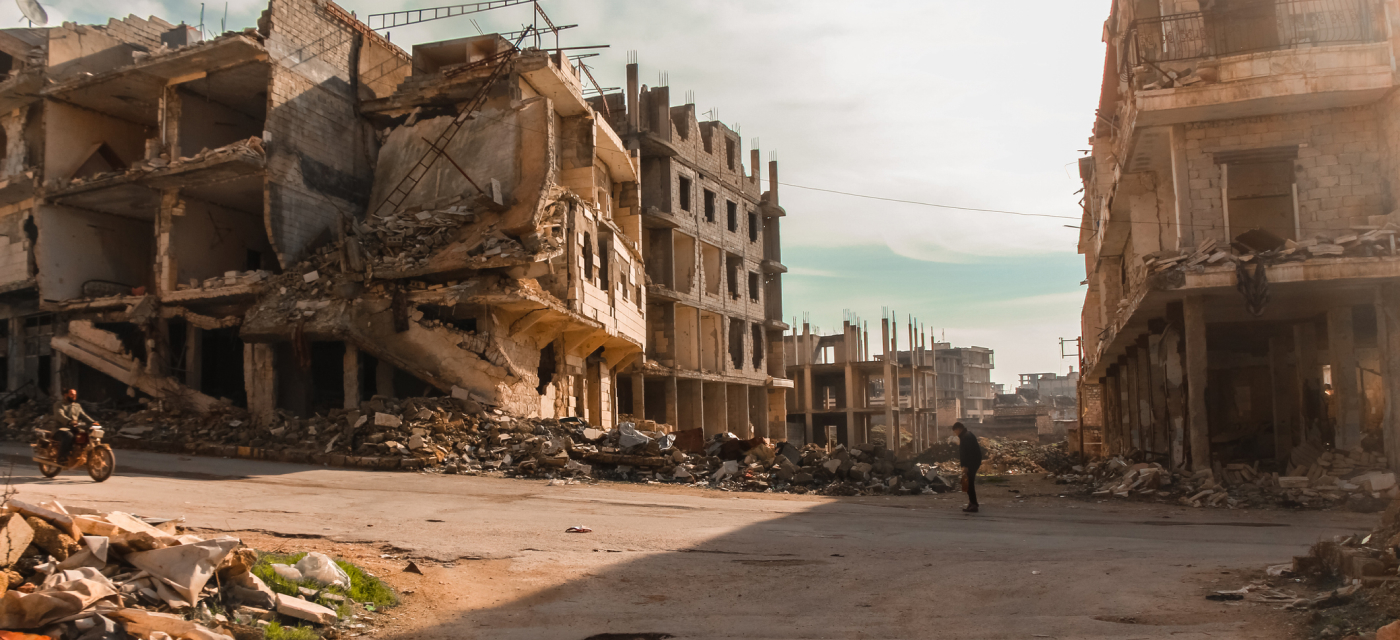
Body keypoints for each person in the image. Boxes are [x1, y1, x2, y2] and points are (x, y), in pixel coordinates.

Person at [53, 388, 95, 463]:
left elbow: (84, 416)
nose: (74, 396)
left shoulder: (77, 406)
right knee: (69, 435)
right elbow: (60, 415)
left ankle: (80, 454)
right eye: (72, 394)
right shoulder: (59, 404)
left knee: (84, 435)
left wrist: (93, 422)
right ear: (65, 395)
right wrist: (69, 421)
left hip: (74, 428)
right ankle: (61, 457)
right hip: (60, 429)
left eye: (75, 394)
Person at [952, 422, 983, 513]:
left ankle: (973, 504)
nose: (955, 433)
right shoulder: (966, 435)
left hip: (971, 463)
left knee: (969, 483)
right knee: (969, 483)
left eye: (955, 431)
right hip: (973, 462)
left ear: (958, 429)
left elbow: (968, 453)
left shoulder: (966, 437)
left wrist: (966, 466)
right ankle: (972, 502)